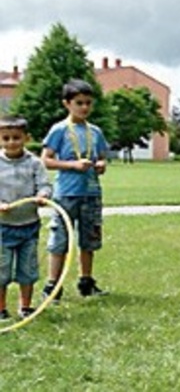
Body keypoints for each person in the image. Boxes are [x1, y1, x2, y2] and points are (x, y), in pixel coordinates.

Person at [40, 78, 110, 302]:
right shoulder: (59, 130)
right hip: (66, 193)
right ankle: (53, 286)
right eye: (79, 103)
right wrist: (72, 165)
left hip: (91, 193)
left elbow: (101, 157)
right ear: (67, 104)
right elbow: (46, 160)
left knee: (89, 240)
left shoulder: (95, 132)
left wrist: (100, 166)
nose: (85, 107)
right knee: (60, 239)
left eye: (88, 103)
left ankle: (86, 281)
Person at [0, 116, 52, 320]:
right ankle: (1, 308)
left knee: (27, 269)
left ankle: (26, 307)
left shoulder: (34, 163)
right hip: (3, 227)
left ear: (26, 138)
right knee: (1, 270)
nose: (11, 142)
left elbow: (45, 185)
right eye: (6, 138)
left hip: (28, 227)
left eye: (16, 137)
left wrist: (43, 195)